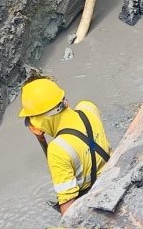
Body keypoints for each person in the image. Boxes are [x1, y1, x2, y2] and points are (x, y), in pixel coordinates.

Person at [18, 78, 111, 215]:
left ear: (41, 118)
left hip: (92, 197)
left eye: (31, 118)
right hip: (112, 172)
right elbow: (86, 142)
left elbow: (68, 208)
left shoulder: (58, 149)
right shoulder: (87, 108)